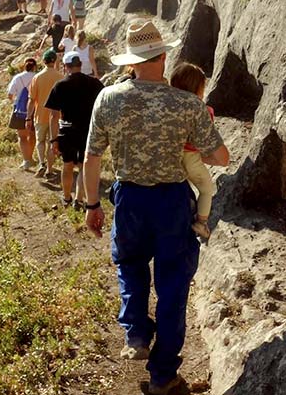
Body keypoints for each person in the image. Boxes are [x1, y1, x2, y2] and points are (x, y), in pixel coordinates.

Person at [83, 21, 229, 395]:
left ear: (131, 62)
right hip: (171, 202)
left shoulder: (109, 98)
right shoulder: (186, 103)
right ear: (163, 56)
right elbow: (219, 157)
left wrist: (92, 205)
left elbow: (92, 157)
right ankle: (163, 376)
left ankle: (135, 333)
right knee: (173, 285)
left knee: (130, 264)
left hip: (129, 198)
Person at [46, 51, 104, 209]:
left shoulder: (60, 85)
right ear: (80, 64)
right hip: (88, 130)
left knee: (68, 164)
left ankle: (66, 198)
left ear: (65, 66)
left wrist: (53, 139)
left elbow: (53, 115)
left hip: (67, 130)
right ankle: (78, 199)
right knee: (83, 165)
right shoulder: (95, 83)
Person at [169, 63, 216, 239]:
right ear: (199, 89)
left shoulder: (168, 107)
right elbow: (205, 140)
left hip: (171, 154)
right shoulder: (204, 110)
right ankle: (201, 223)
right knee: (206, 188)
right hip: (191, 156)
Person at [28, 50, 63, 178]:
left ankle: (41, 163)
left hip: (40, 115)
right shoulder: (60, 77)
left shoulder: (36, 77)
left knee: (40, 141)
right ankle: (49, 169)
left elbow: (31, 100)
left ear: (43, 61)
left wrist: (28, 118)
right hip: (56, 116)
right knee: (51, 142)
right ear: (54, 61)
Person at [7, 57, 38, 170]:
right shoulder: (37, 77)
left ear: (24, 66)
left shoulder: (17, 78)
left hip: (19, 110)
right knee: (33, 134)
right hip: (34, 109)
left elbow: (10, 94)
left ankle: (26, 160)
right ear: (35, 66)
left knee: (22, 137)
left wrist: (16, 101)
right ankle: (31, 157)